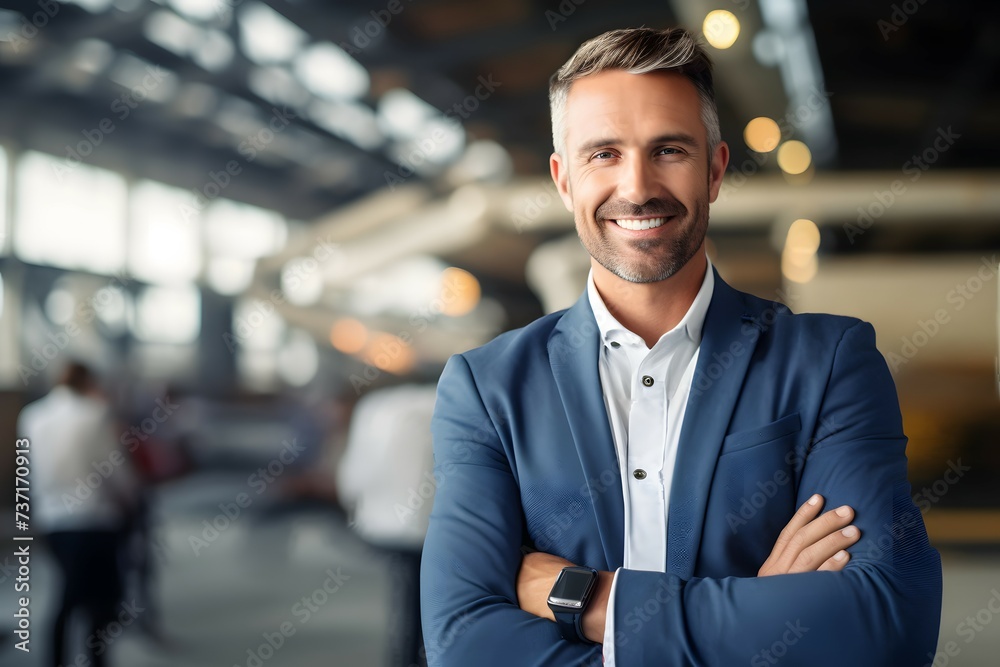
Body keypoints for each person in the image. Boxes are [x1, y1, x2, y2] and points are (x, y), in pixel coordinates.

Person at [420, 27, 941, 666]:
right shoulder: (487, 388)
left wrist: (588, 600)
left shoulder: (829, 361)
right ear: (563, 181)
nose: (637, 187)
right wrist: (756, 611)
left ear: (715, 169)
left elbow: (884, 622)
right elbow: (463, 644)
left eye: (668, 149)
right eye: (603, 154)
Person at [18, 361, 137, 667]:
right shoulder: (95, 415)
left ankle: (56, 659)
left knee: (68, 593)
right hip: (94, 519)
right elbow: (114, 469)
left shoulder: (31, 417)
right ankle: (96, 659)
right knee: (97, 599)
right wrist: (132, 498)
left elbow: (27, 470)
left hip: (53, 520)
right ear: (89, 382)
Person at [337, 383, 438, 667]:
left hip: (383, 526)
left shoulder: (374, 408)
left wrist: (352, 504)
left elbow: (355, 474)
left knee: (406, 601)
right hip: (430, 528)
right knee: (425, 602)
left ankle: (404, 657)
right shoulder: (440, 402)